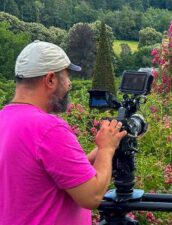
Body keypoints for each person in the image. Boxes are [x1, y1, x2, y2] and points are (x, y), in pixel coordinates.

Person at [0, 40, 127, 225]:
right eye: (67, 77)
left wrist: (104, 147)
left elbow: (56, 171)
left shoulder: (5, 119)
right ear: (50, 79)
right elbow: (92, 196)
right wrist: (107, 151)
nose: (69, 84)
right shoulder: (49, 129)